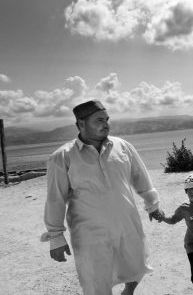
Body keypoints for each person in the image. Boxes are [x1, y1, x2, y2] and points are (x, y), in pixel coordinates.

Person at [40, 99, 164, 295]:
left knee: (137, 266)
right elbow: (56, 198)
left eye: (107, 119)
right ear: (81, 123)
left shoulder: (123, 146)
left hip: (127, 224)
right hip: (90, 234)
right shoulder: (62, 157)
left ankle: (128, 291)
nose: (106, 124)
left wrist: (152, 204)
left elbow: (141, 177)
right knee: (96, 283)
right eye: (99, 120)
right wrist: (56, 237)